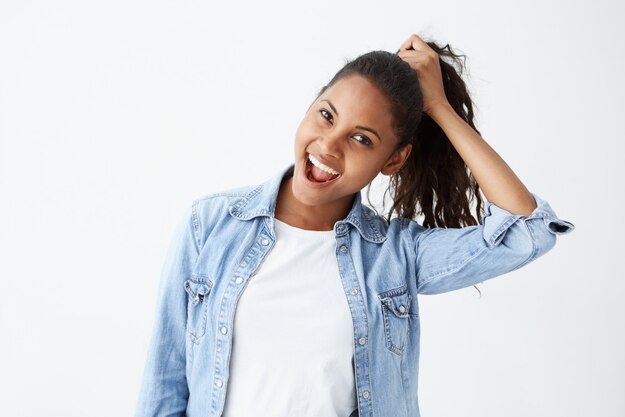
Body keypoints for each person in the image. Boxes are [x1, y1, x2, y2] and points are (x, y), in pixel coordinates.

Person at [134, 34, 575, 417]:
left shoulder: (394, 256)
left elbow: (526, 231)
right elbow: (165, 381)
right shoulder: (210, 224)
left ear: (394, 159)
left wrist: (438, 107)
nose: (328, 145)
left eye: (362, 139)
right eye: (326, 115)